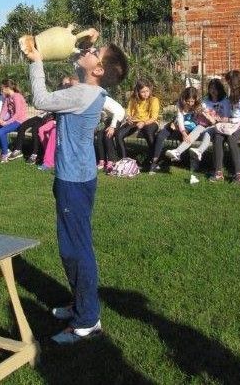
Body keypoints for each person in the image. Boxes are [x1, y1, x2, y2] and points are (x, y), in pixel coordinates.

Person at [24, 32, 128, 345]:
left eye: (96, 51)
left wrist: (36, 61)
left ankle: (87, 320)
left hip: (74, 181)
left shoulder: (83, 93)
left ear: (97, 70)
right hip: (78, 178)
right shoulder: (89, 90)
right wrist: (83, 39)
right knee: (73, 245)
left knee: (75, 249)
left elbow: (40, 100)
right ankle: (80, 304)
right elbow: (75, 55)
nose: (89, 50)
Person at [165, 78, 229, 183]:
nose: (213, 91)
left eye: (215, 89)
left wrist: (214, 119)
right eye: (211, 88)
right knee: (196, 130)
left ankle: (199, 151)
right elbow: (200, 112)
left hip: (217, 126)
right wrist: (202, 114)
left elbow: (226, 117)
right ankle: (177, 152)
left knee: (208, 132)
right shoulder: (205, 100)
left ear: (220, 89)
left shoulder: (224, 101)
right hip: (203, 124)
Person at [210, 70, 240, 184]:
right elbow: (231, 111)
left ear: (236, 82)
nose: (228, 85)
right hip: (232, 124)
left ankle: (238, 174)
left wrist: (230, 120)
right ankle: (218, 171)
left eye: (229, 82)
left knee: (232, 138)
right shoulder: (233, 94)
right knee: (218, 135)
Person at [148, 87, 200, 174]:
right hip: (177, 124)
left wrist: (183, 132)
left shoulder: (197, 106)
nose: (190, 103)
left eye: (192, 101)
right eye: (188, 101)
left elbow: (196, 122)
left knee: (185, 138)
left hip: (190, 127)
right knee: (160, 135)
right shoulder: (180, 104)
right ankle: (154, 161)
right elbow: (179, 118)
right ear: (184, 99)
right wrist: (178, 127)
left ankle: (188, 161)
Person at [114, 80, 160, 170]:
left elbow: (154, 117)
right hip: (135, 122)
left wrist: (143, 123)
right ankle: (124, 160)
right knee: (119, 134)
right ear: (138, 92)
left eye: (147, 91)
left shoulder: (154, 100)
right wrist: (128, 118)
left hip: (150, 122)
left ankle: (153, 160)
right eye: (143, 92)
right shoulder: (133, 99)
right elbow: (128, 112)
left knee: (149, 133)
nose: (145, 94)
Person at [0, 79, 28, 163]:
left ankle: (4, 154)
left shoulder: (17, 96)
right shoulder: (8, 97)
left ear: (7, 88)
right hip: (12, 120)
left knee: (1, 132)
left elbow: (17, 114)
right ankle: (6, 149)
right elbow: (4, 110)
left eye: (2, 88)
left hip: (19, 121)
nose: (1, 90)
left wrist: (6, 123)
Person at [94, 95, 126, 172]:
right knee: (99, 135)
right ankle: (102, 161)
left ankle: (111, 161)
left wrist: (112, 127)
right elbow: (102, 116)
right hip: (109, 118)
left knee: (108, 135)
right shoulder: (93, 102)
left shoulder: (104, 101)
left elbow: (116, 112)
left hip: (118, 115)